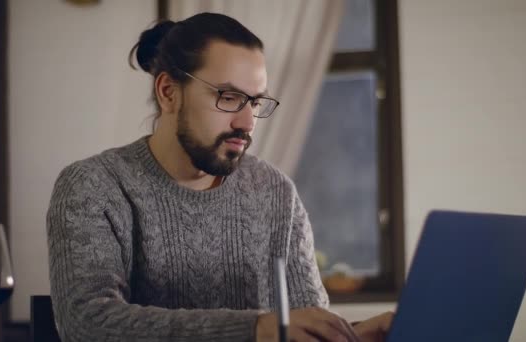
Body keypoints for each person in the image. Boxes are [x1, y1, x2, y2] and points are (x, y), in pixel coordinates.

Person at [47, 12, 393, 342]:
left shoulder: (275, 192)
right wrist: (254, 330)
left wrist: (355, 334)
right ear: (168, 92)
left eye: (255, 103)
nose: (246, 122)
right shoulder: (92, 186)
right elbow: (87, 324)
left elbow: (303, 324)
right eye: (229, 97)